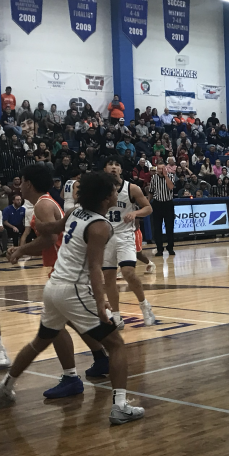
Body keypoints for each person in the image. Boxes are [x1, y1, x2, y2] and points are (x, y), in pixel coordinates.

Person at [0, 171, 145, 425]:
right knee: (117, 345)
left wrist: (28, 237)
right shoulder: (101, 226)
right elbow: (94, 269)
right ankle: (120, 406)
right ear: (104, 197)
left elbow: (50, 228)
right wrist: (101, 305)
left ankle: (6, 386)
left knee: (38, 342)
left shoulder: (74, 213)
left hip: (53, 287)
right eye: (113, 190)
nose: (116, 193)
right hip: (73, 290)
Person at [7, 164, 112, 397]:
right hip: (63, 268)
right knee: (68, 321)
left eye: (21, 181)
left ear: (28, 183)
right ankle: (99, 358)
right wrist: (23, 249)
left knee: (55, 327)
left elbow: (49, 239)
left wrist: (21, 250)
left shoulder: (43, 205)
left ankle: (72, 376)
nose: (18, 185)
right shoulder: (42, 203)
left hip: (65, 270)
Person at [101, 157, 156, 328]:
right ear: (105, 169)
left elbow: (149, 208)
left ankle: (145, 305)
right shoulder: (99, 189)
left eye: (117, 164)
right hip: (105, 238)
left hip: (124, 236)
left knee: (128, 273)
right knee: (109, 279)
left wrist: (135, 213)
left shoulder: (131, 188)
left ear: (121, 170)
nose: (114, 167)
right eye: (111, 164)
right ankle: (116, 316)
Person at [149, 162, 176, 256]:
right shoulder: (153, 178)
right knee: (157, 228)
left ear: (166, 169)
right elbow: (151, 191)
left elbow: (171, 187)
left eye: (162, 168)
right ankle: (159, 248)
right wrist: (148, 203)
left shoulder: (171, 176)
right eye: (159, 169)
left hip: (168, 204)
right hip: (157, 204)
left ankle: (170, 247)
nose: (160, 170)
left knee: (169, 227)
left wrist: (165, 176)